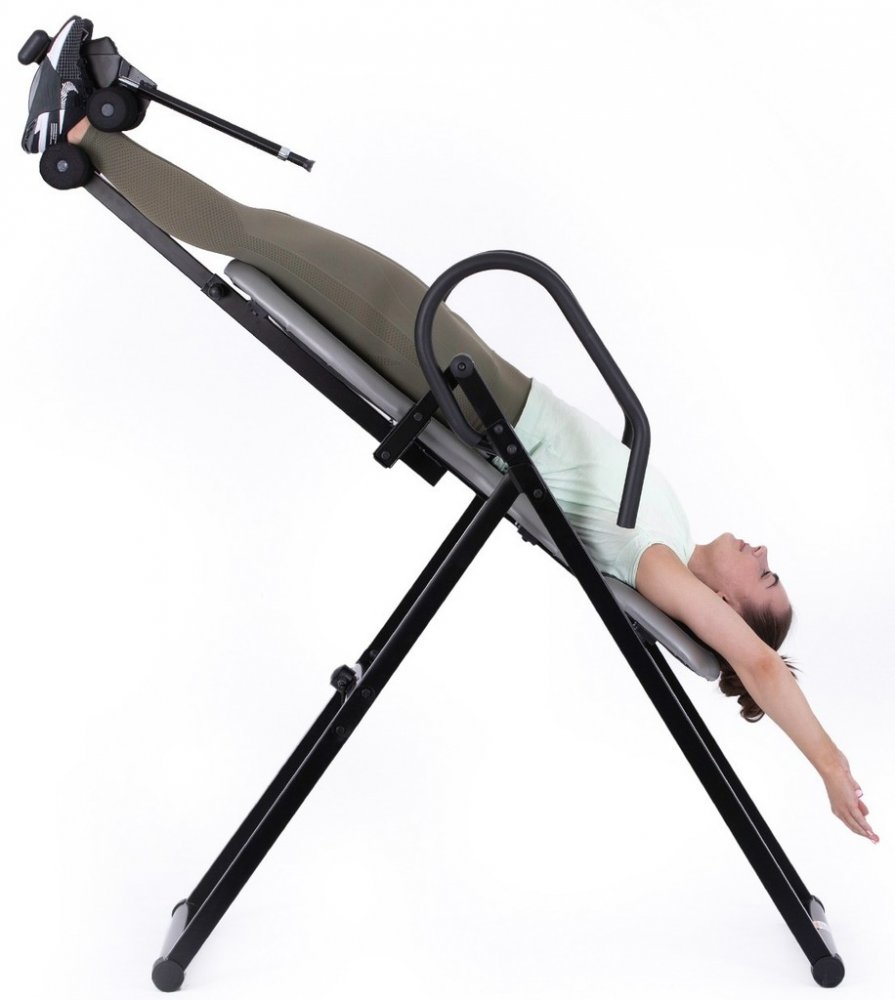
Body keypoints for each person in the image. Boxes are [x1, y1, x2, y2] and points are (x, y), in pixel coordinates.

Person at [22, 17, 878, 845]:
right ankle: (92, 115)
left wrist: (831, 764)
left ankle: (80, 134)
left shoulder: (657, 565)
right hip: (474, 371)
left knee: (259, 238)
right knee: (269, 236)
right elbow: (754, 655)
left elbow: (757, 666)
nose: (761, 551)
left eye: (764, 576)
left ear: (725, 607)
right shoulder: (672, 534)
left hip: (465, 385)